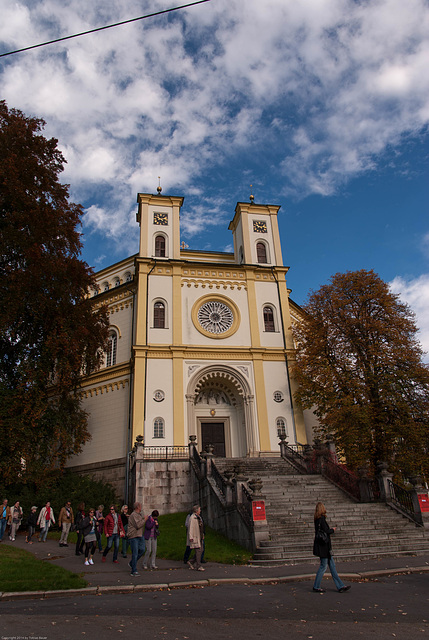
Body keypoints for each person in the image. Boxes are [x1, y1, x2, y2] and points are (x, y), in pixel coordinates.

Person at [312, 501, 351, 593]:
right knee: (323, 566)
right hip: (324, 547)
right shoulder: (321, 519)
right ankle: (316, 586)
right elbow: (326, 531)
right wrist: (332, 530)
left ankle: (340, 585)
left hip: (324, 547)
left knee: (332, 566)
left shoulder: (316, 520)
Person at [127, 502, 147, 576]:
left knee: (142, 550)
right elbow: (138, 525)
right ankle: (134, 570)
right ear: (138, 507)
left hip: (139, 535)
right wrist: (145, 519)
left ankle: (132, 563)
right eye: (140, 506)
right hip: (133, 536)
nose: (141, 507)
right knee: (135, 553)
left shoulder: (139, 515)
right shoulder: (133, 515)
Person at [186, 505, 204, 571]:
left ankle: (191, 561)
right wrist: (191, 537)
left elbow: (201, 527)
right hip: (195, 537)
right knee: (198, 551)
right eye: (199, 509)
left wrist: (203, 534)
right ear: (196, 511)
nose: (200, 511)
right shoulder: (192, 518)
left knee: (201, 550)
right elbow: (190, 528)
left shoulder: (198, 517)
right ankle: (198, 566)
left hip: (200, 536)